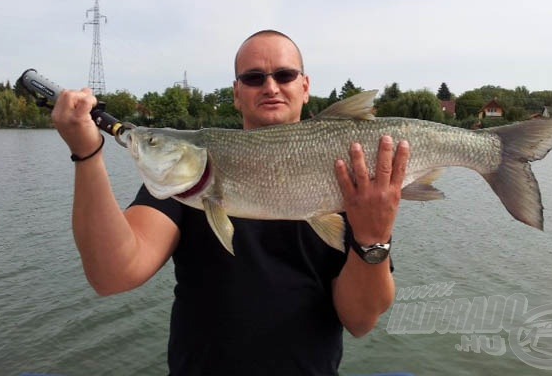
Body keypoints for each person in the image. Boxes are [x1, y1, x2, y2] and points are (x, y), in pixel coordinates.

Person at [51, 29, 410, 376]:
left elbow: (360, 322)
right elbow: (112, 275)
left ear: (305, 86)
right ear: (236, 93)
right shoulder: (183, 185)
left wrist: (372, 238)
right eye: (253, 78)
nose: (270, 86)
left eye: (284, 75)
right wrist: (87, 154)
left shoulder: (353, 179)